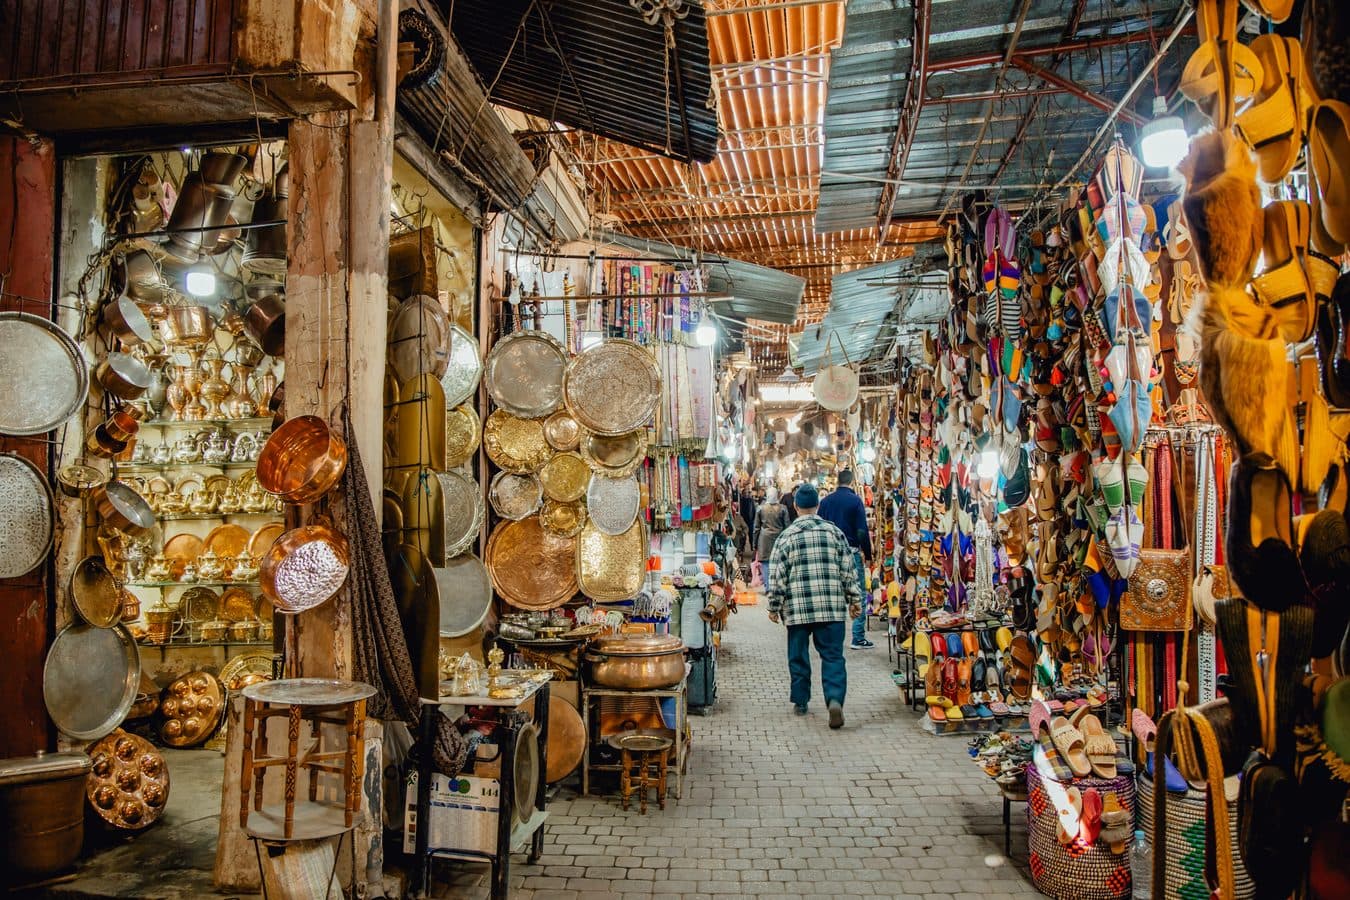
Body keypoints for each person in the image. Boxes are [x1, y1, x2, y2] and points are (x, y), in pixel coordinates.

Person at [766, 483, 863, 729]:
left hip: (798, 610)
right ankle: (834, 699)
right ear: (818, 506)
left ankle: (800, 701)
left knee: (798, 656)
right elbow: (848, 570)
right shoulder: (834, 532)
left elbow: (777, 576)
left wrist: (774, 607)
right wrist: (854, 600)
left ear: (796, 507)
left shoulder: (786, 537)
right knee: (832, 656)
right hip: (831, 608)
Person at [818, 469, 875, 650]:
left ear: (837, 481)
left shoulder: (826, 502)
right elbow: (861, 530)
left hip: (830, 553)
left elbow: (819, 526)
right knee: (857, 593)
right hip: (851, 552)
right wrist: (867, 552)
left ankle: (830, 637)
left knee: (832, 594)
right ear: (851, 482)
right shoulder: (855, 501)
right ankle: (857, 637)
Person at [753, 487, 790, 592]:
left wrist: (754, 544)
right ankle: (777, 586)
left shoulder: (760, 508)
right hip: (779, 538)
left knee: (765, 563)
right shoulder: (783, 508)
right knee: (778, 563)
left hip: (764, 539)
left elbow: (756, 528)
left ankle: (768, 587)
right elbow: (787, 526)